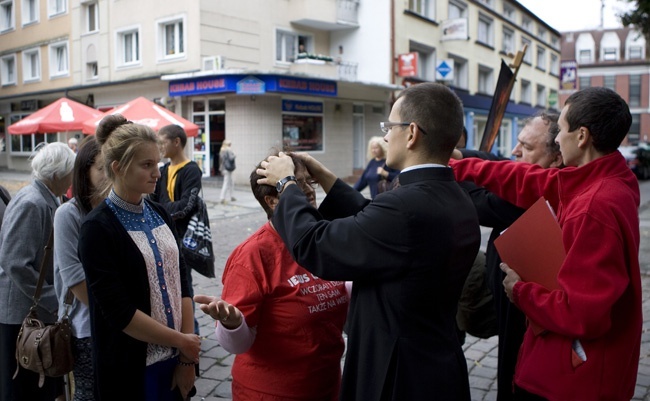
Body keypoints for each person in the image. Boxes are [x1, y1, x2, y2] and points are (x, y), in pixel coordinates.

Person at [257, 82, 481, 401]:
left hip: (399, 376)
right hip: (436, 361)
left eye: (390, 126)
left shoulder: (405, 207)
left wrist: (286, 183)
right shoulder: (454, 196)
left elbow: (317, 244)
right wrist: (321, 173)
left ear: (412, 133)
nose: (386, 135)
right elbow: (373, 221)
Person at [450, 87, 641, 401]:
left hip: (572, 381)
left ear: (581, 136)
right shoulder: (595, 178)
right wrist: (460, 165)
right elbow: (524, 178)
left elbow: (583, 315)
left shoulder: (594, 207)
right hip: (566, 369)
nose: (557, 140)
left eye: (561, 130)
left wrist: (521, 291)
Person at [194, 151, 349, 401]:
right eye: (294, 184)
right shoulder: (253, 255)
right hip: (272, 392)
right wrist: (232, 324)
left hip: (327, 386)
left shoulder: (322, 241)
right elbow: (237, 345)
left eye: (308, 182)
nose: (308, 191)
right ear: (272, 201)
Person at [77, 114, 200, 401]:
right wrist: (182, 341)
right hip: (129, 368)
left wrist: (185, 357)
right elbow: (118, 312)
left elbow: (182, 282)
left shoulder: (159, 211)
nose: (157, 172)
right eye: (146, 165)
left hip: (175, 358)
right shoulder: (96, 228)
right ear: (118, 168)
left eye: (157, 163)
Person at [454, 111, 562, 401]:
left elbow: (479, 202)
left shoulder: (541, 192)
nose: (515, 152)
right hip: (513, 311)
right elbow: (501, 163)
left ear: (557, 158)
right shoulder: (537, 175)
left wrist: (446, 165)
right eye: (518, 143)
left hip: (528, 322)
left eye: (526, 148)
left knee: (516, 381)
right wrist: (462, 152)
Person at [0, 142, 75, 401]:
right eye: (70, 172)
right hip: (20, 313)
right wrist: (51, 298)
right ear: (56, 174)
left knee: (35, 385)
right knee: (22, 387)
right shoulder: (33, 202)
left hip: (29, 311)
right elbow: (14, 261)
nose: (72, 178)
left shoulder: (44, 196)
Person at [53, 136, 108, 401]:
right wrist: (116, 315)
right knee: (88, 393)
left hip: (123, 324)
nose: (110, 175)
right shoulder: (69, 214)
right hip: (86, 327)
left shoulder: (117, 209)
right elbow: (74, 279)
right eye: (101, 167)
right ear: (84, 170)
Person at [151, 124, 203, 335]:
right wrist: (166, 208)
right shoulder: (162, 170)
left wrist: (163, 209)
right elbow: (154, 202)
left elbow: (186, 206)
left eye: (162, 141)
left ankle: (193, 331)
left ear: (176, 142)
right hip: (162, 236)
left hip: (183, 239)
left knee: (184, 284)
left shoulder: (192, 170)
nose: (160, 147)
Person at [219, 140, 236, 204]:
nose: (230, 146)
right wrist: (234, 154)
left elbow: (221, 160)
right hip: (228, 169)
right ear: (227, 145)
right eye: (229, 144)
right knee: (227, 183)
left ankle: (231, 196)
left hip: (224, 168)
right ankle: (222, 198)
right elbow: (231, 158)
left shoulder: (222, 150)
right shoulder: (228, 150)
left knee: (231, 182)